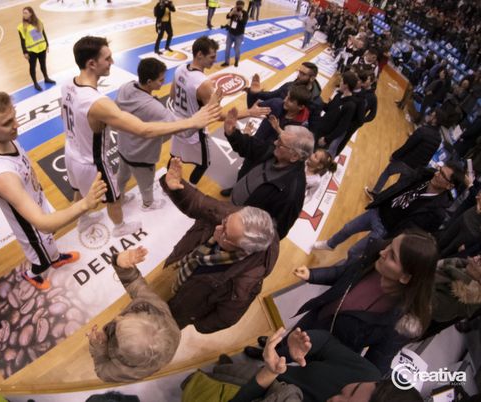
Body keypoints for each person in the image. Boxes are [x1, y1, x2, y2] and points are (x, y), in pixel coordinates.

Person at [62, 36, 221, 236]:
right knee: (113, 198)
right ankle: (120, 227)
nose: (112, 62)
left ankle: (83, 220)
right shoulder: (97, 102)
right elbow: (143, 130)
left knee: (79, 189)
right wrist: (193, 121)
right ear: (92, 64)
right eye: (108, 58)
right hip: (91, 161)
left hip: (72, 151)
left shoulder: (68, 84)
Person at [248, 231, 438, 373]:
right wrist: (313, 275)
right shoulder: (373, 261)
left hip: (326, 346)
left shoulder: (399, 324)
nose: (382, 251)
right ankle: (274, 348)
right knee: (291, 336)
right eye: (390, 245)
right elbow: (343, 273)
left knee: (288, 359)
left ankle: (274, 359)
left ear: (405, 277)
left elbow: (373, 366)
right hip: (318, 316)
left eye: (392, 256)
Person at [0, 90, 106, 290]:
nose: (16, 125)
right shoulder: (0, 174)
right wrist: (85, 204)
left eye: (14, 117)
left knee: (50, 246)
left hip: (37, 203)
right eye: (7, 123)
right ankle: (32, 274)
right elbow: (43, 224)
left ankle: (55, 258)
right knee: (40, 260)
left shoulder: (1, 137)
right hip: (31, 228)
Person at [160, 158, 279, 333]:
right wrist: (176, 186)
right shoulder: (237, 219)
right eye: (225, 222)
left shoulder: (244, 283)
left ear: (243, 249)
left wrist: (197, 323)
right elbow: (202, 204)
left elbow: (225, 318)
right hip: (183, 271)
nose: (217, 228)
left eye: (225, 233)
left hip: (183, 308)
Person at [222, 328, 423, 401]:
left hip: (256, 384)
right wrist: (300, 347)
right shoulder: (366, 372)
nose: (335, 399)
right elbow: (327, 343)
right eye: (353, 390)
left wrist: (267, 375)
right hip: (252, 377)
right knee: (219, 372)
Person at [315, 163, 465, 260]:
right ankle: (330, 244)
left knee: (354, 252)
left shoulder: (438, 213)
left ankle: (342, 275)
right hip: (378, 211)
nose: (437, 174)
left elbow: (415, 233)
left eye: (443, 175)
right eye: (440, 170)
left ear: (450, 186)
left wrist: (390, 239)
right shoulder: (423, 175)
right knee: (347, 228)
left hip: (385, 230)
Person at [86, 246, 180, 382]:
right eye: (129, 317)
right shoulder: (154, 307)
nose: (118, 317)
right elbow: (136, 284)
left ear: (122, 351)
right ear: (147, 318)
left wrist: (99, 347)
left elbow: (102, 371)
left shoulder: (125, 371)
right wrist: (122, 266)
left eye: (119, 330)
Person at [225, 108, 313, 238]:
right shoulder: (276, 152)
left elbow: (277, 232)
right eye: (278, 139)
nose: (275, 143)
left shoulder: (292, 195)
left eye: (281, 144)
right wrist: (232, 133)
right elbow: (251, 146)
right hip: (230, 208)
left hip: (239, 228)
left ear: (295, 156)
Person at [115, 58, 175, 211]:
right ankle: (148, 204)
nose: (163, 82)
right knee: (146, 184)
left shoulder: (125, 87)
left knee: (122, 176)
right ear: (149, 82)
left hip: (123, 147)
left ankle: (120, 198)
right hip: (141, 156)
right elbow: (178, 127)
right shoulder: (155, 108)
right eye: (160, 80)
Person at [168, 36, 220, 185]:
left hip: (177, 124)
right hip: (195, 131)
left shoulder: (180, 69)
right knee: (204, 163)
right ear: (200, 54)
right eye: (212, 57)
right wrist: (247, 113)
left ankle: (168, 179)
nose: (215, 60)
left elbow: (172, 95)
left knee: (174, 157)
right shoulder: (204, 83)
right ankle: (191, 186)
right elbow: (216, 114)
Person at [366, 109, 445, 197]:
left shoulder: (423, 131)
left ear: (435, 120)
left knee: (388, 171)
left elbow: (407, 146)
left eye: (431, 115)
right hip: (415, 169)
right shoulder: (439, 139)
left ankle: (375, 193)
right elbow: (429, 156)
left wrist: (394, 156)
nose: (429, 116)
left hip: (406, 162)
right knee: (398, 187)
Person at [312, 71, 358, 155]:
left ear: (346, 85)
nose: (339, 83)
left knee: (314, 154)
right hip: (319, 128)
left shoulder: (350, 106)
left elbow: (342, 127)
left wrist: (327, 139)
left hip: (325, 136)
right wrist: (317, 101)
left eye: (341, 81)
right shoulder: (338, 95)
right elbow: (328, 108)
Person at [18, 6, 55, 92]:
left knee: (43, 65)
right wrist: (25, 52)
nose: (24, 15)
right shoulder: (21, 27)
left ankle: (46, 78)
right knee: (32, 67)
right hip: (31, 51)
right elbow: (22, 40)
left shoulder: (39, 22)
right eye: (23, 13)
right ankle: (35, 83)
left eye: (25, 13)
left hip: (42, 48)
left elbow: (43, 33)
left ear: (31, 13)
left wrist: (47, 44)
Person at [221, 1, 248, 68]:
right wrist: (232, 13)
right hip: (230, 33)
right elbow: (227, 17)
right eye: (238, 5)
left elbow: (244, 23)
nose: (239, 7)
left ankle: (236, 60)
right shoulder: (233, 10)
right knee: (227, 48)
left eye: (240, 6)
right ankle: (226, 62)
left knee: (237, 49)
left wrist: (240, 16)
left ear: (243, 6)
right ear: (236, 5)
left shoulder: (245, 13)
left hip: (239, 35)